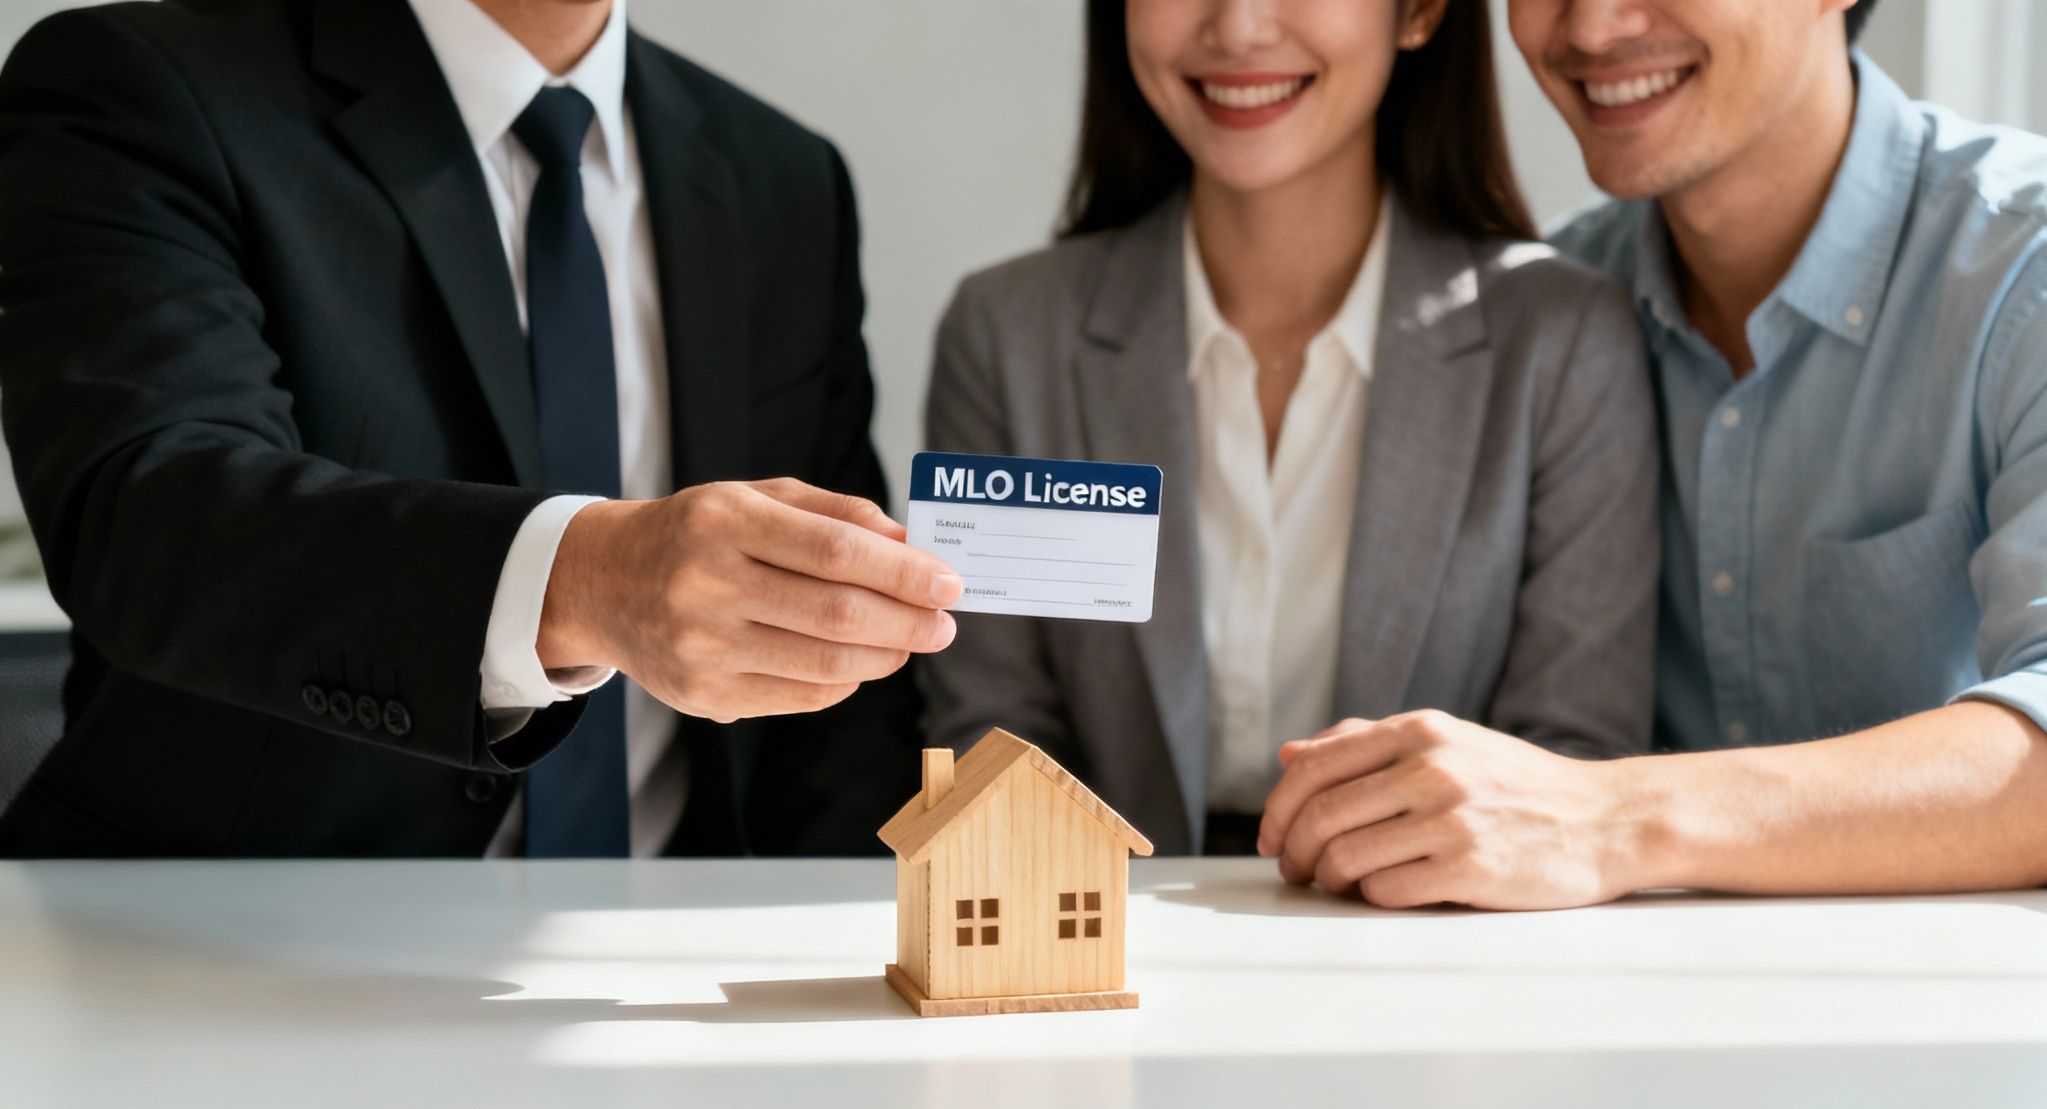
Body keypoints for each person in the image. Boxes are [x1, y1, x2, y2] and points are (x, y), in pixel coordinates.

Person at [0, 0, 963, 857]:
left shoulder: (782, 178)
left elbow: (833, 685)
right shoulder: (143, 84)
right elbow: (152, 516)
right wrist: (585, 579)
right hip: (231, 952)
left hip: (674, 964)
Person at [1259, 0, 2047, 909]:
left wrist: (1612, 816)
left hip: (1960, 1025)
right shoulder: (1544, 319)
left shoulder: (2019, 270)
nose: (1591, 27)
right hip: (1619, 1015)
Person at [922, 0, 1658, 855]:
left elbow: (1567, 770)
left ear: (1419, 11)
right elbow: (993, 739)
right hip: (1094, 943)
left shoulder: (1562, 342)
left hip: (1435, 942)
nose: (1237, 29)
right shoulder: (1009, 336)